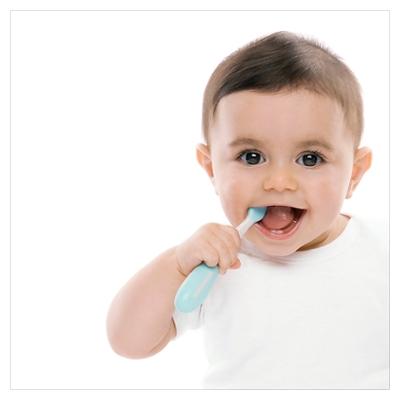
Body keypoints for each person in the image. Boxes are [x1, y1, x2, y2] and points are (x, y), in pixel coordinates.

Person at [106, 31, 389, 389]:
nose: (279, 181)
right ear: (211, 168)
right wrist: (176, 264)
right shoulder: (212, 265)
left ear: (355, 173)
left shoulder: (384, 249)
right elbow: (128, 342)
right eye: (251, 157)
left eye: (310, 158)